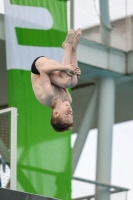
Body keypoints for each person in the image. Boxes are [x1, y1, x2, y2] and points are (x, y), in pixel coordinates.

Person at [31, 29, 82, 132]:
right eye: (71, 113)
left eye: (66, 113)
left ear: (56, 113)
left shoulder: (48, 97)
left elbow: (43, 71)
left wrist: (63, 68)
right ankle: (74, 49)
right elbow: (68, 76)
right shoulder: (67, 99)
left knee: (66, 82)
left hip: (39, 67)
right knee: (72, 82)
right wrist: (76, 72)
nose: (70, 110)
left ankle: (67, 47)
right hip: (53, 69)